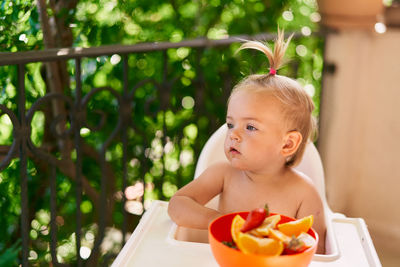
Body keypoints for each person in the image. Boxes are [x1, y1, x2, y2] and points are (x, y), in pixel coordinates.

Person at [168, 29, 326, 254]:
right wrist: (222, 221)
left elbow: (316, 252)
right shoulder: (223, 174)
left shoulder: (304, 193)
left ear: (288, 144)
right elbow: (177, 206)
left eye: (250, 127)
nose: (233, 134)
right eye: (231, 124)